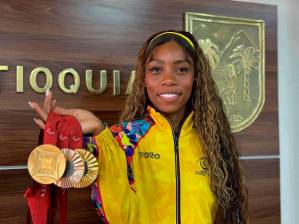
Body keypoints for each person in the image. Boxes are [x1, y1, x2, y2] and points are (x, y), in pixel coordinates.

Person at [29, 30, 248, 224]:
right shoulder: (122, 141)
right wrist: (96, 131)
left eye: (181, 69)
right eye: (156, 70)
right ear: (143, 79)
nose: (168, 79)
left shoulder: (214, 142)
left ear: (196, 78)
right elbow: (119, 217)